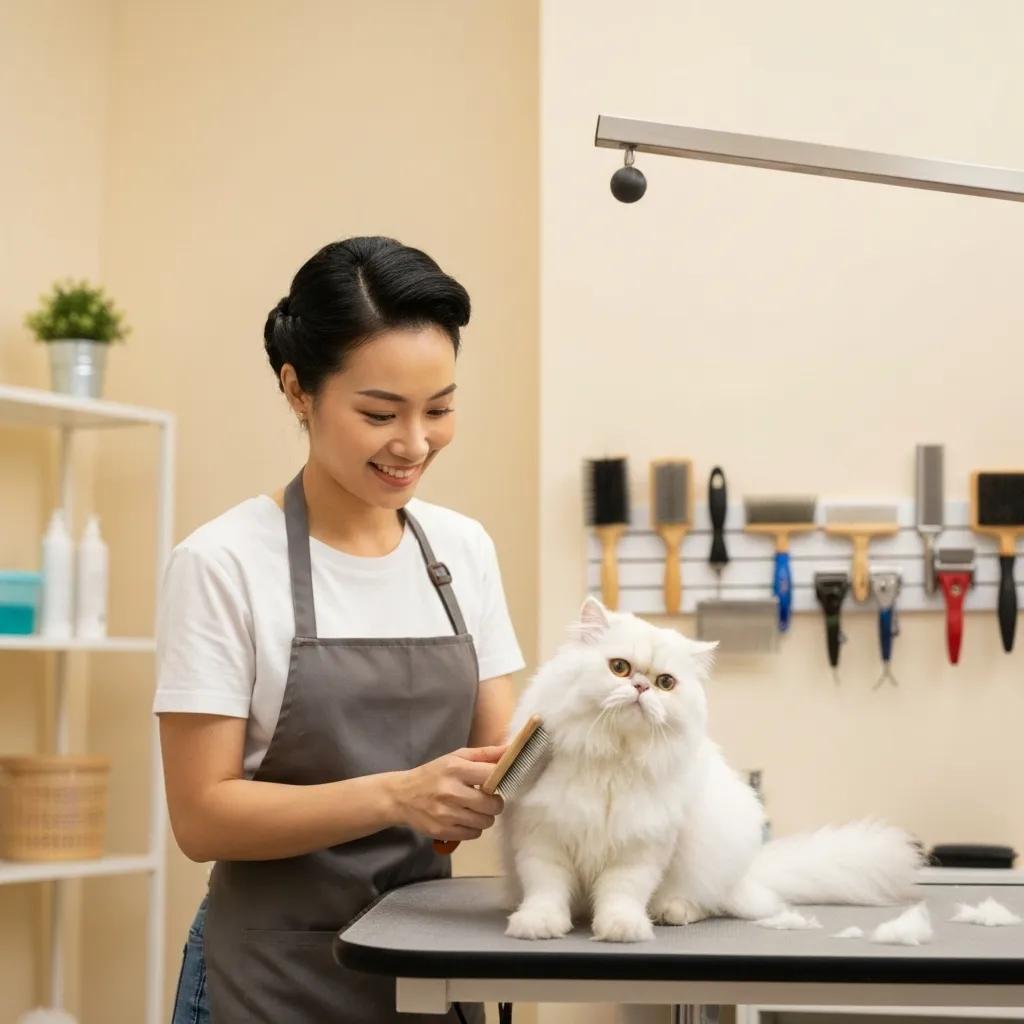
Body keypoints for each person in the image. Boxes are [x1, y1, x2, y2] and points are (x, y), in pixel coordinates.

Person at [154, 236, 524, 1023]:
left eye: (441, 409)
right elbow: (201, 816)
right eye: (379, 413)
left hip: (427, 969)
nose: (415, 443)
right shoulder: (221, 563)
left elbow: (507, 761)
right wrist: (401, 795)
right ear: (298, 391)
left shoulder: (462, 550)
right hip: (269, 979)